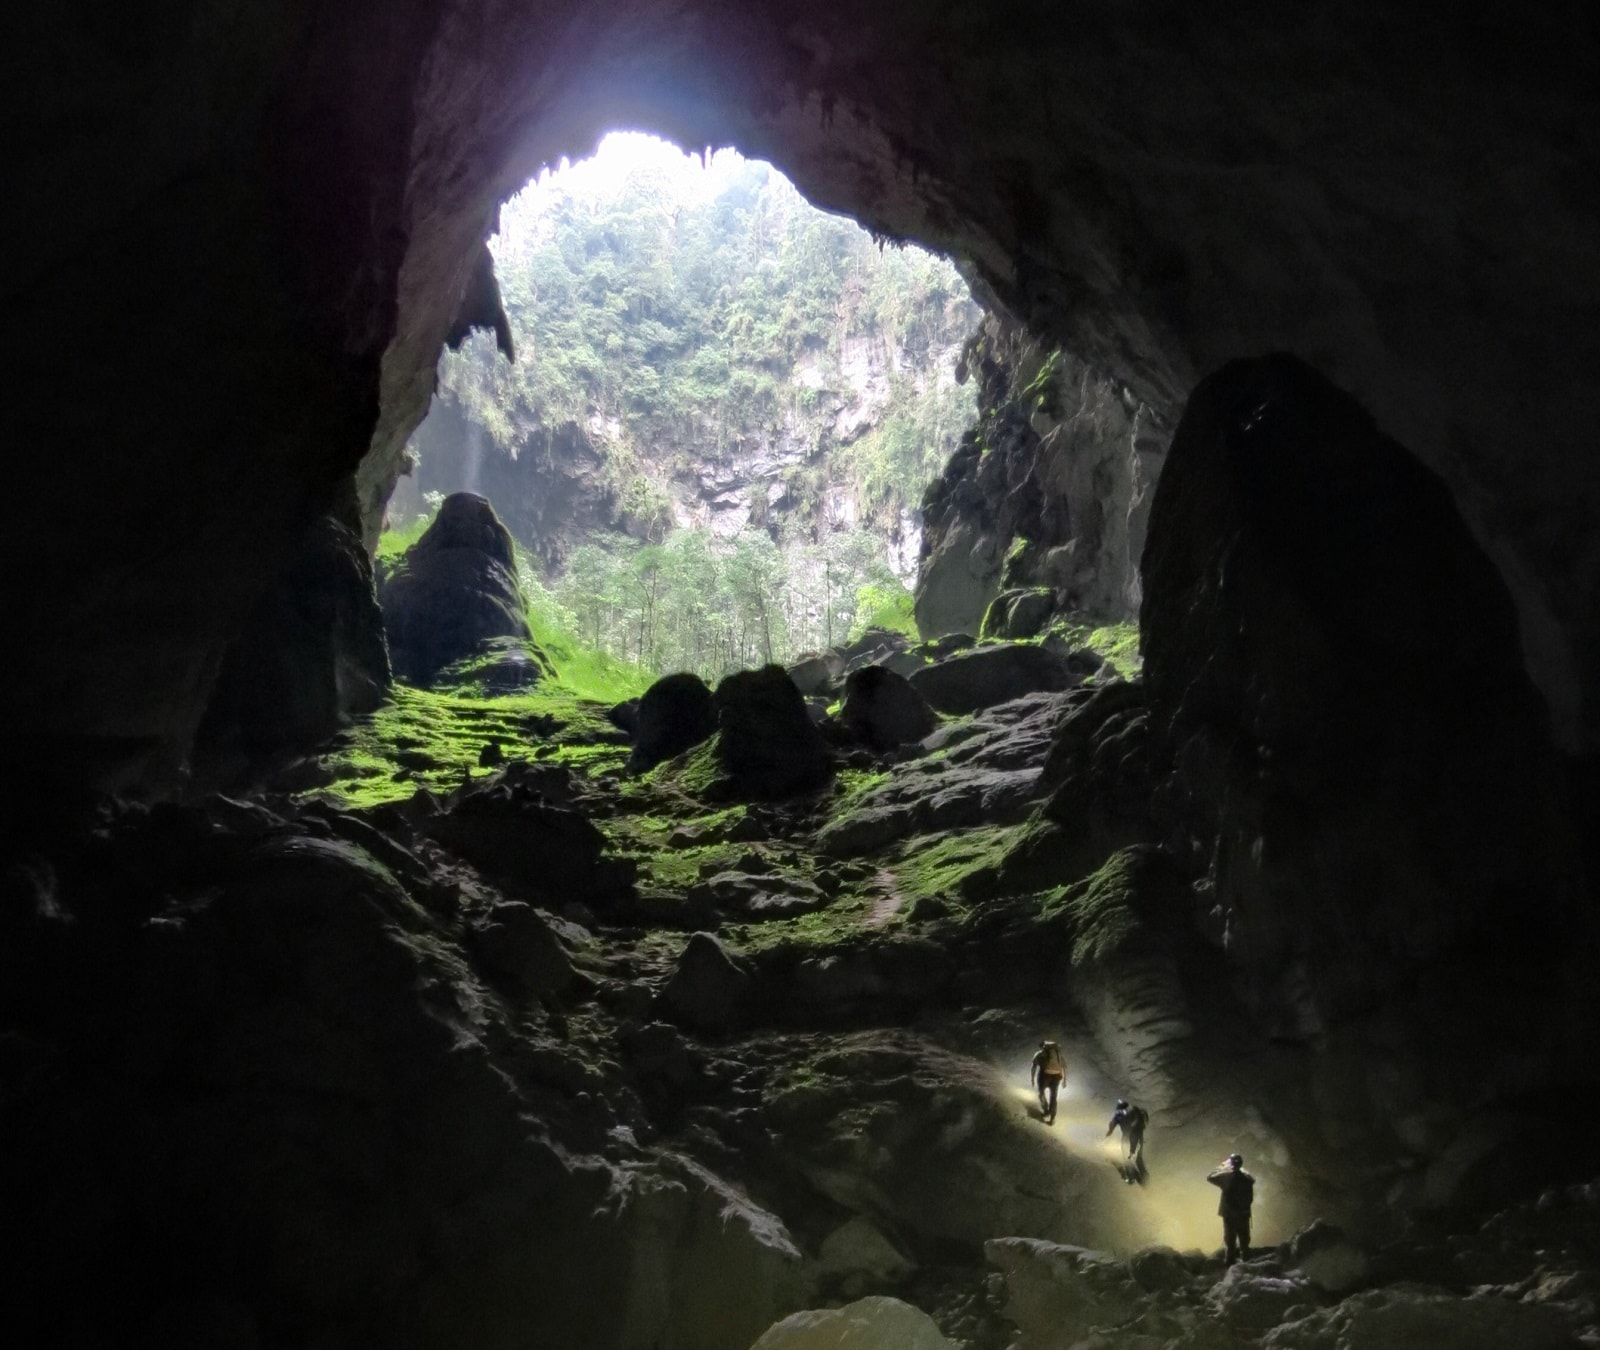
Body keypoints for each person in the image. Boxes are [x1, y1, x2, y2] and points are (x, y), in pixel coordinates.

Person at [1207, 1153, 1255, 1265]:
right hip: (1243, 1214)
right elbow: (1252, 1180)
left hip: (1229, 1214)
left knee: (1230, 1242)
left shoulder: (1226, 1177)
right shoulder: (1247, 1178)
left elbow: (1210, 1177)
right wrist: (1241, 1169)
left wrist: (1223, 1167)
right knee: (1244, 1242)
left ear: (1231, 1164)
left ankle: (1230, 1266)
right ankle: (1247, 1265)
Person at [1029, 1041, 1066, 1123]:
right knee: (1053, 1096)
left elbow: (1033, 1067)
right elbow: (1064, 1066)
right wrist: (1065, 1080)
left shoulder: (1039, 1054)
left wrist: (1032, 1078)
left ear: (1041, 1047)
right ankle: (1052, 1117)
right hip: (1056, 1076)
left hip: (1044, 1076)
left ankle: (1046, 1110)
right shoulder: (1057, 1054)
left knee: (1041, 1093)